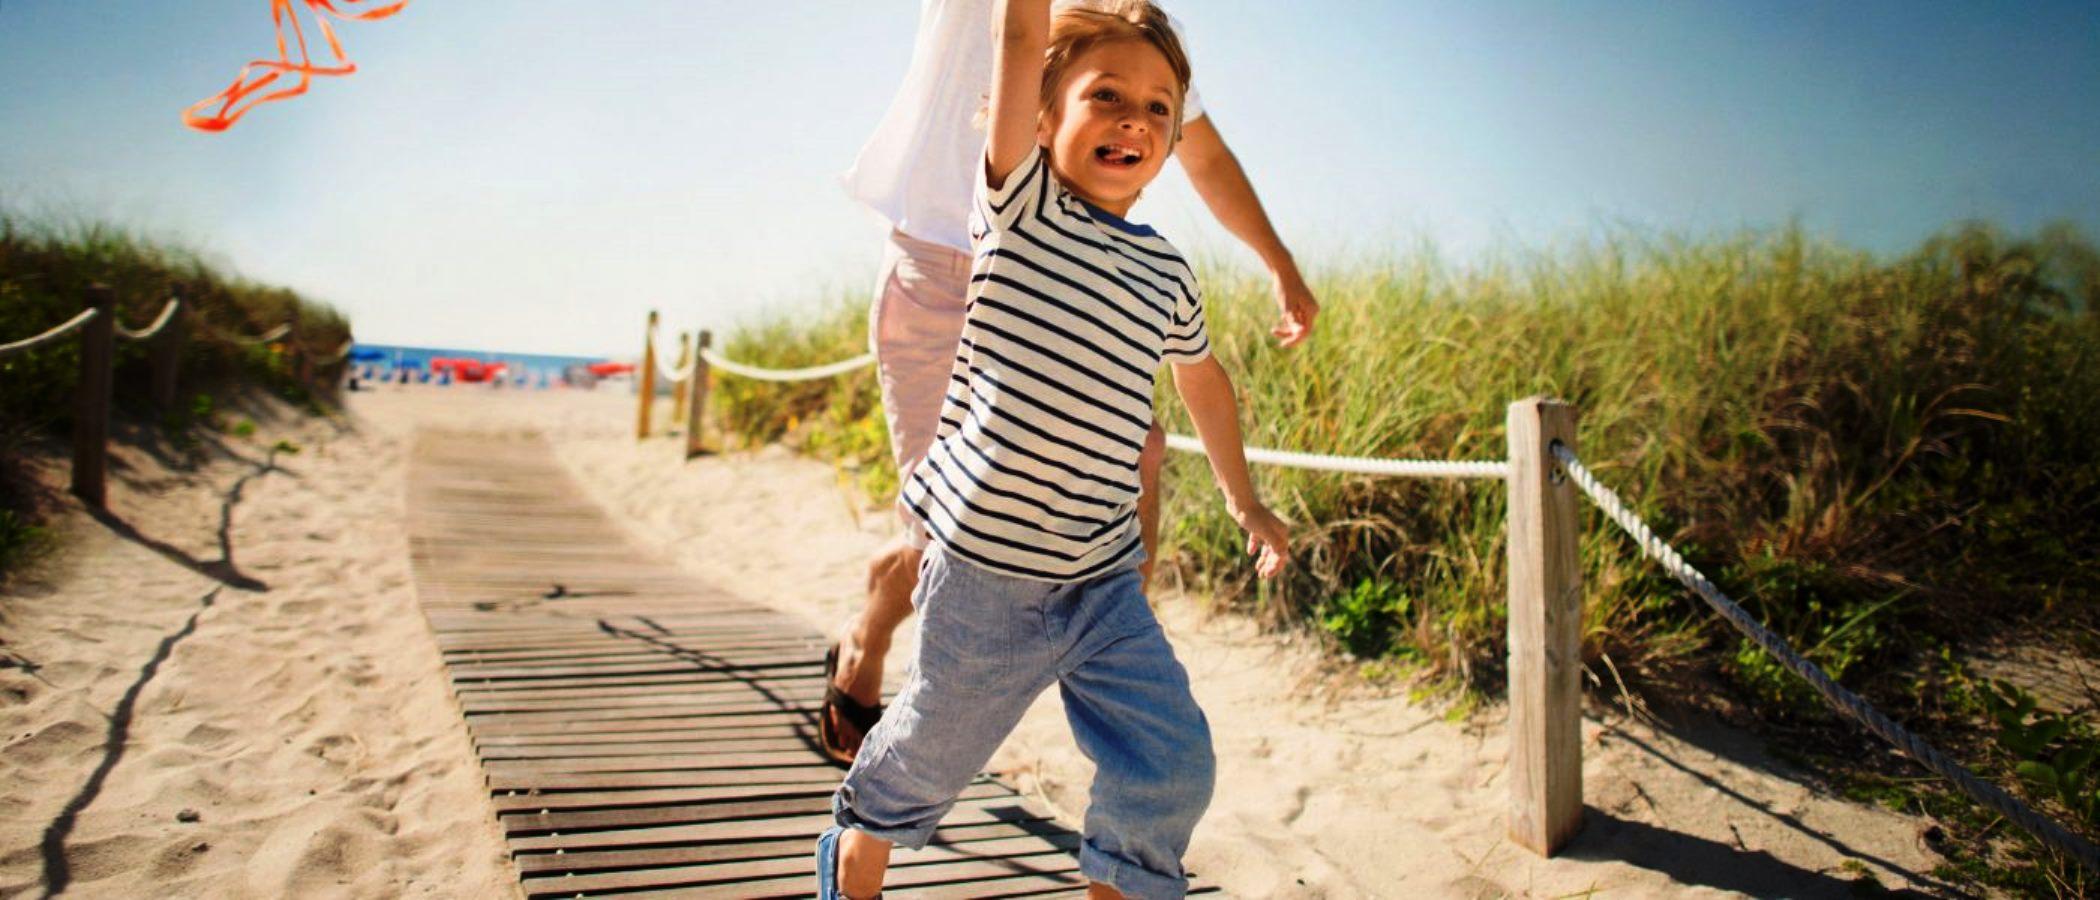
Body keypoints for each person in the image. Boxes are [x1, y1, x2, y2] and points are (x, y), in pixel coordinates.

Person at [815, 3, 1290, 897]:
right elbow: (1018, 39)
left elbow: (1204, 381)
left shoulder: (1168, 273)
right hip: (988, 572)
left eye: (1158, 109)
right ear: (1036, 116)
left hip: (1102, 582)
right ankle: (859, 845)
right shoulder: (1017, 204)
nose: (1133, 120)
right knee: (931, 751)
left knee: (1172, 759)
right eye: (1104, 96)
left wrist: (1243, 497)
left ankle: (1118, 882)